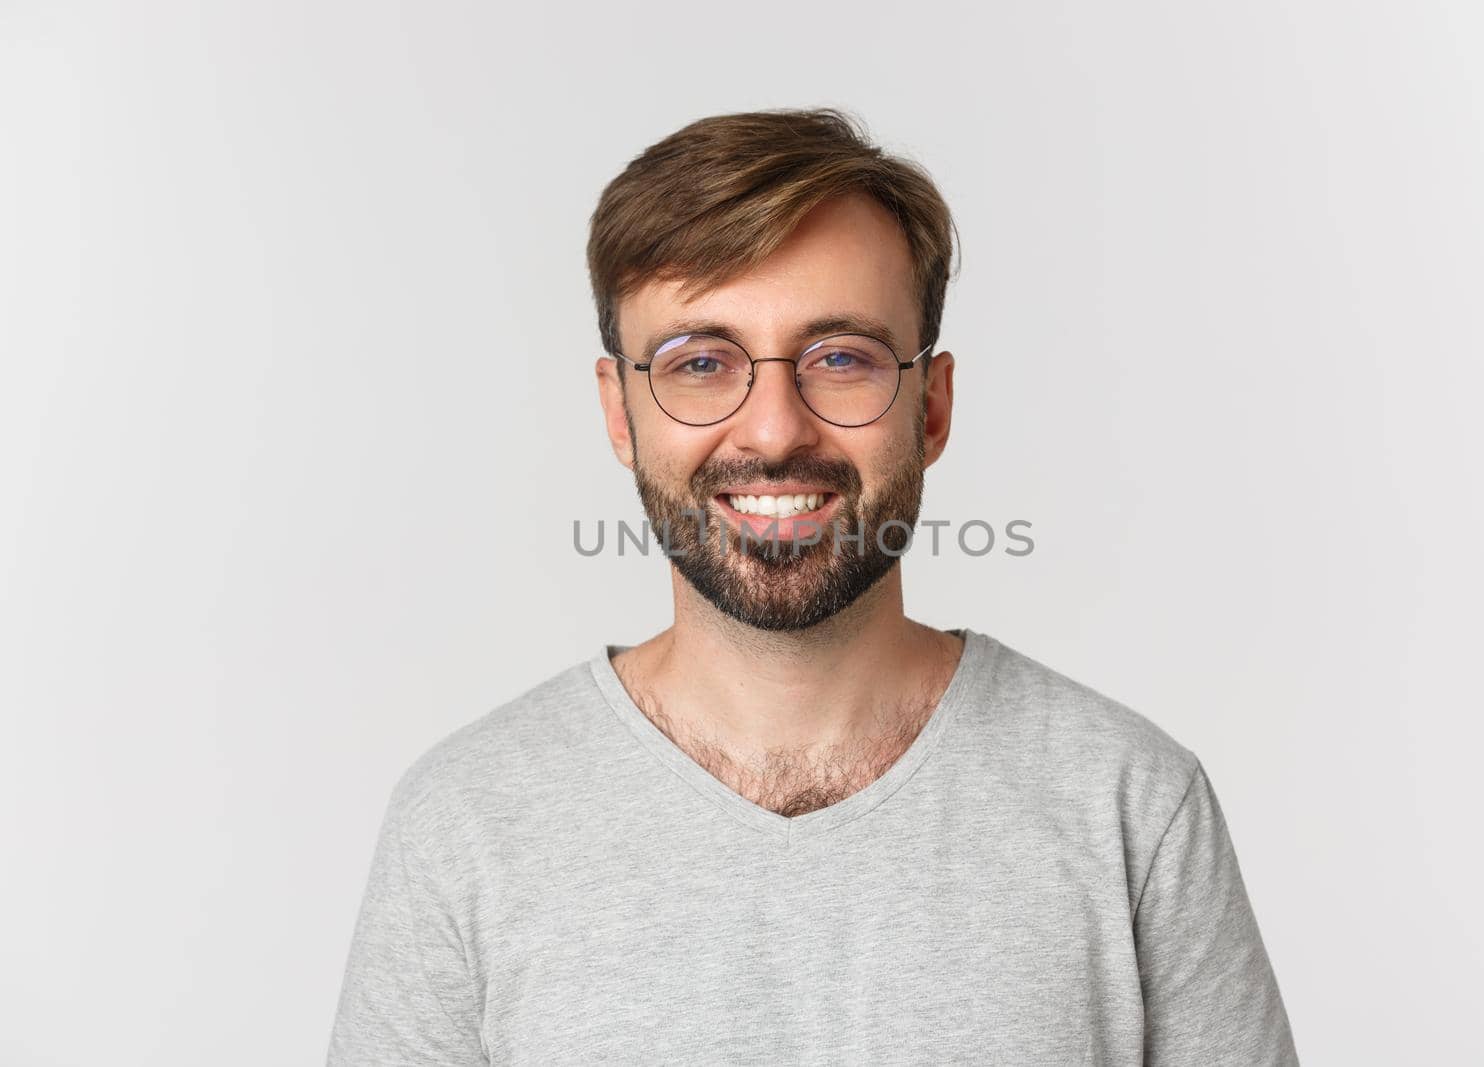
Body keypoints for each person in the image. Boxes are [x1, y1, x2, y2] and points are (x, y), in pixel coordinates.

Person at [327, 107, 1299, 1065]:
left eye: (841, 358)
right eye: (699, 363)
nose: (773, 430)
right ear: (619, 414)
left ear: (932, 407)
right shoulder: (465, 824)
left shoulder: (1129, 804)